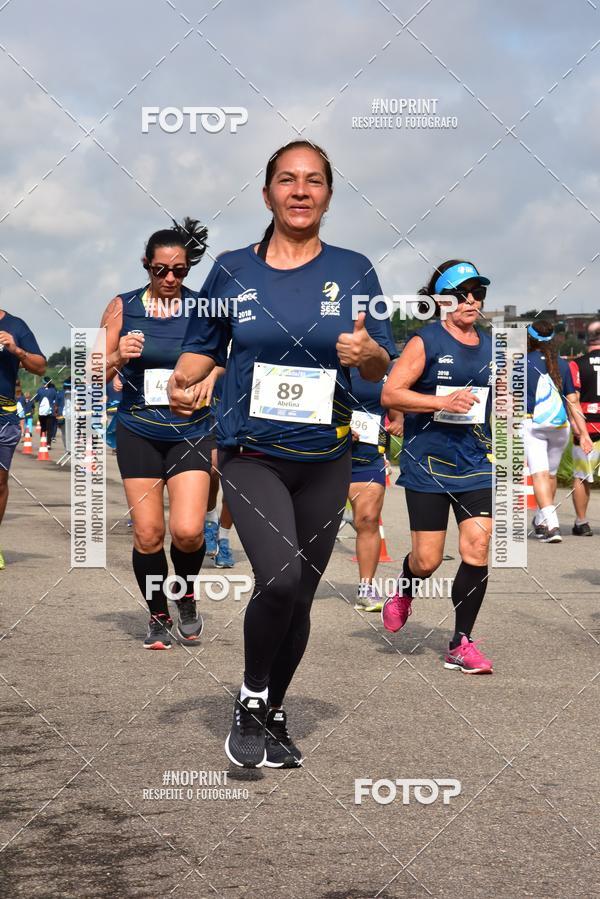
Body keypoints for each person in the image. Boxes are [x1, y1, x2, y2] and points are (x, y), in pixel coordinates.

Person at [169, 140, 396, 768]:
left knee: (299, 599)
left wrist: (369, 356)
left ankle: (271, 712)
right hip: (252, 453)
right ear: (266, 192)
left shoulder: (355, 270)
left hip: (327, 456)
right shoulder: (233, 271)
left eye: (314, 181)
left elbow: (383, 362)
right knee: (281, 577)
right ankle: (248, 700)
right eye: (287, 180)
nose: (300, 191)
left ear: (328, 193)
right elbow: (202, 347)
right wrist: (179, 381)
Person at [101, 216, 218, 649]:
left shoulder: (203, 309)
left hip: (191, 429)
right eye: (160, 270)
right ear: (146, 266)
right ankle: (157, 613)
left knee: (188, 532)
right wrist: (115, 354)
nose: (170, 278)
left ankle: (185, 595)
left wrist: (212, 379)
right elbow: (89, 370)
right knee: (148, 534)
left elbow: (225, 360)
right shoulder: (122, 306)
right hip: (138, 430)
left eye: (180, 271)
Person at [381, 259, 496, 674]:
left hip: (475, 463)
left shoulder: (490, 345)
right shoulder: (424, 341)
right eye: (461, 293)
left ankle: (461, 641)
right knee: (427, 561)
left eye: (477, 292)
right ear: (441, 300)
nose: (471, 300)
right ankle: (406, 589)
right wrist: (440, 402)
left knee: (477, 547)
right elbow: (392, 394)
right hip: (428, 463)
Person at [525, 320, 591, 542]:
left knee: (539, 474)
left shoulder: (520, 363)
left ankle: (551, 524)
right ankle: (541, 520)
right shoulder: (563, 364)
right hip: (560, 427)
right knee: (550, 474)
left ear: (530, 338)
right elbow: (573, 402)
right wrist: (584, 434)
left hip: (533, 425)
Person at [349, 365, 403, 612]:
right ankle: (298, 583)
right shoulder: (327, 360)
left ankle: (366, 588)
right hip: (325, 456)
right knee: (313, 524)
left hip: (368, 457)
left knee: (368, 520)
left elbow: (394, 406)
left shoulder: (384, 371)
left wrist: (399, 420)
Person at [0, 309, 46, 569]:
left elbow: (41, 367)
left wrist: (16, 350)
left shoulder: (15, 325)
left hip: (3, 414)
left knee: (0, 481)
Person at [569, 321, 600, 535]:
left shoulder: (576, 364)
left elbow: (574, 399)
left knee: (581, 476)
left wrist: (577, 426)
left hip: (587, 426)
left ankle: (581, 522)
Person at [204, 372, 236, 568]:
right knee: (213, 470)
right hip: (213, 407)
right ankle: (210, 521)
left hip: (243, 411)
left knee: (234, 483)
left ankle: (223, 539)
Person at [35, 377, 57, 448]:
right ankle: (48, 444)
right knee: (50, 428)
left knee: (43, 427)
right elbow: (55, 400)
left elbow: (36, 399)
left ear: (44, 382)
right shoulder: (54, 390)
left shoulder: (40, 390)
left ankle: (43, 442)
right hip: (50, 412)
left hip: (42, 412)